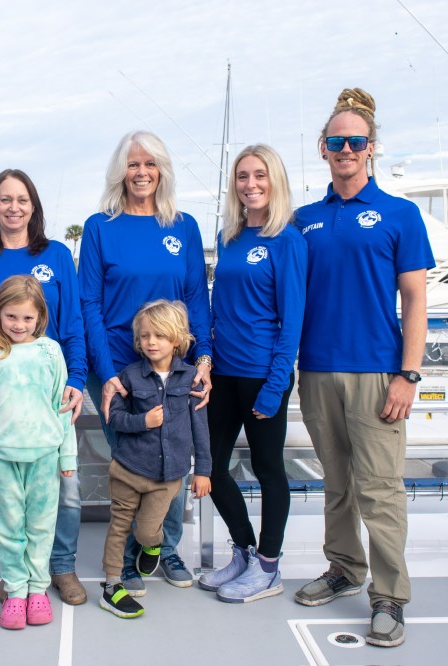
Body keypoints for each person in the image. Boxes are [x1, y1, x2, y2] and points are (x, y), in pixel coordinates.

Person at [293, 88, 433, 648]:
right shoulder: (302, 220)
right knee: (336, 485)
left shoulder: (400, 215)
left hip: (378, 373)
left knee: (380, 490)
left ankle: (390, 598)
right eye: (336, 141)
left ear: (371, 148)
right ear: (322, 149)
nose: (345, 149)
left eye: (355, 141)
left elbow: (416, 301)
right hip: (317, 372)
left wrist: (409, 374)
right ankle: (345, 569)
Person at [79, 130, 212, 594]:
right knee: (135, 460)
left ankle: (165, 546)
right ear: (121, 171)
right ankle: (134, 554)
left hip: (171, 368)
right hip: (119, 367)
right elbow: (89, 304)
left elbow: (196, 295)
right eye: (133, 164)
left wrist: (204, 358)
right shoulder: (100, 227)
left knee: (172, 456)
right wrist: (108, 373)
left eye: (150, 164)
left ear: (162, 171)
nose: (141, 172)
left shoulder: (184, 226)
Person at [0, 169, 88, 605]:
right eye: (5, 199)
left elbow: (72, 326)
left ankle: (60, 568)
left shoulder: (56, 256)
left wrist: (77, 380)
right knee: (5, 497)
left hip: (49, 395)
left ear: (34, 206)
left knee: (62, 490)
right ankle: (14, 575)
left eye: (22, 199)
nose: (14, 207)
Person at [198, 145, 306, 603]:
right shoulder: (229, 236)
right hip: (223, 374)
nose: (251, 184)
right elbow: (219, 307)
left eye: (260, 175)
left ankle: (269, 566)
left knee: (267, 471)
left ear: (274, 180)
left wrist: (276, 385)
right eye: (243, 176)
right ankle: (243, 552)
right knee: (213, 468)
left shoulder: (288, 240)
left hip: (265, 377)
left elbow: (292, 320)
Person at [0, 275, 77, 630]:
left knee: (41, 527)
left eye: (27, 318)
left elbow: (63, 407)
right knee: (10, 528)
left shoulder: (51, 351)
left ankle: (38, 589)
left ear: (40, 317)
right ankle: (15, 592)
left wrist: (67, 457)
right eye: (12, 316)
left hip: (44, 454)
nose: (19, 325)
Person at [99, 300, 211, 619]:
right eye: (145, 336)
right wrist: (142, 422)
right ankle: (112, 584)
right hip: (128, 469)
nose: (151, 342)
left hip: (168, 478)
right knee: (120, 525)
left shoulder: (190, 379)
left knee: (148, 531)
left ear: (177, 340)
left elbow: (200, 430)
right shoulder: (130, 376)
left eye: (160, 336)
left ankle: (153, 548)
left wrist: (203, 471)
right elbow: (115, 418)